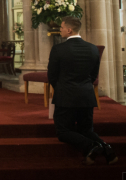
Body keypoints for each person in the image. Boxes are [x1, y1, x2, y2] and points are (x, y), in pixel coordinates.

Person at [48, 16, 118, 165]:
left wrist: (61, 88)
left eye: (61, 27)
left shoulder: (58, 49)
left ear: (69, 30)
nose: (60, 30)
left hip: (65, 97)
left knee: (63, 132)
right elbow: (94, 74)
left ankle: (92, 146)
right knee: (86, 130)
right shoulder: (92, 48)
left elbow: (52, 75)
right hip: (86, 95)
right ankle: (107, 149)